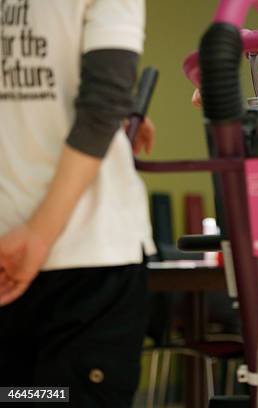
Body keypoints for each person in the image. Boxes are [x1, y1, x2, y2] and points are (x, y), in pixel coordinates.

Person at [0, 1, 155, 406]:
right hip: (81, 258)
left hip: (78, 261)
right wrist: (37, 236)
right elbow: (103, 104)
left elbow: (104, 104)